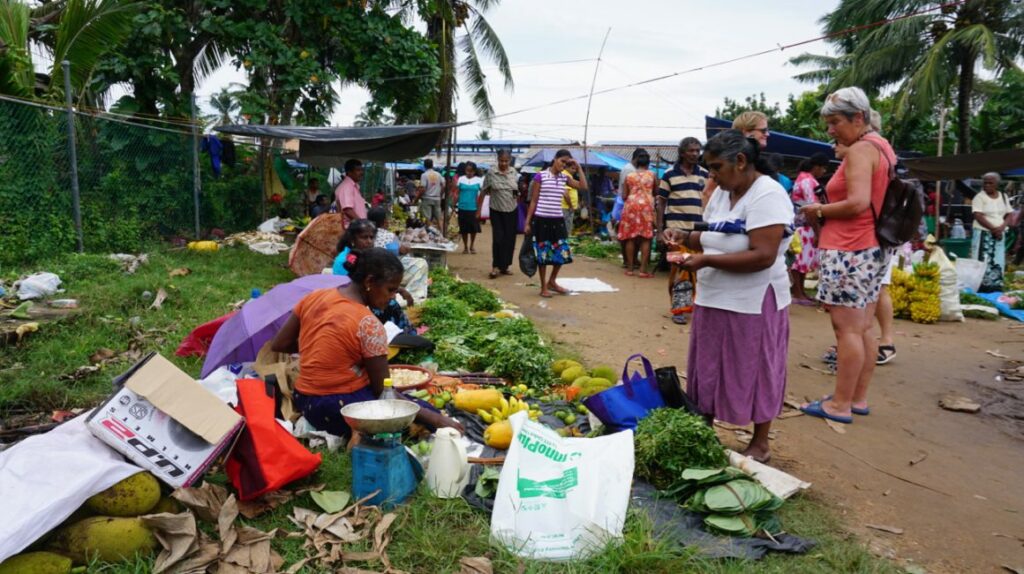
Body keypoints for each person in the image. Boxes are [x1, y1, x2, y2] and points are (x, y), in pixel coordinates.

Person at [664, 129, 793, 463]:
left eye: (717, 167)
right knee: (706, 365)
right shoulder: (723, 193)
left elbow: (763, 255)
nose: (712, 175)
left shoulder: (768, 194)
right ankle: (703, 429)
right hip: (714, 294)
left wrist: (705, 259)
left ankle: (760, 442)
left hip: (753, 299)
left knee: (755, 366)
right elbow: (715, 236)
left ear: (740, 161)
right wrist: (685, 237)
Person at [270, 248, 462, 437]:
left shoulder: (314, 298)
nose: (393, 296)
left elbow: (280, 344)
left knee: (415, 406)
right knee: (420, 412)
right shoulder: (368, 324)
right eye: (390, 289)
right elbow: (384, 392)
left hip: (305, 400)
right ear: (369, 282)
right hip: (339, 408)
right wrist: (437, 420)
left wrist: (319, 347)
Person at [798, 87, 898, 424]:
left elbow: (856, 203)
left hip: (849, 249)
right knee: (863, 328)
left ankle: (839, 405)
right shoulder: (882, 148)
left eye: (835, 122)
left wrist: (819, 210)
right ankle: (856, 398)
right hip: (870, 247)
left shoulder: (859, 151)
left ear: (858, 118)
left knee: (848, 332)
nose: (831, 130)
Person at [525, 149, 588, 298]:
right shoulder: (541, 176)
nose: (563, 165)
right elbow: (533, 201)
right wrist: (527, 222)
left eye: (566, 163)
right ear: (555, 159)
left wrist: (578, 168)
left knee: (561, 252)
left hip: (558, 220)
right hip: (541, 220)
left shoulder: (564, 178)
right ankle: (543, 287)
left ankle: (552, 281)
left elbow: (583, 186)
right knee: (543, 255)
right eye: (562, 161)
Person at [658, 137, 708, 324]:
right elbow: (661, 203)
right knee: (679, 271)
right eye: (691, 150)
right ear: (682, 152)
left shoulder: (704, 174)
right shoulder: (669, 174)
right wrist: (659, 230)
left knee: (698, 272)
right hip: (675, 234)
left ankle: (692, 305)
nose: (695, 154)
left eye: (697, 150)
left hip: (697, 233)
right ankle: (678, 309)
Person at [790, 153, 830, 304]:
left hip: (804, 224)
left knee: (803, 259)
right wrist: (818, 232)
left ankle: (801, 291)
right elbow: (811, 209)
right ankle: (798, 292)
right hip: (805, 225)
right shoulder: (808, 181)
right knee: (800, 259)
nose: (824, 172)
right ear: (816, 167)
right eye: (823, 168)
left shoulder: (804, 178)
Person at [367, 206, 429, 303]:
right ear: (385, 222)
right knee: (421, 263)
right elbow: (401, 250)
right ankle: (415, 295)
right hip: (387, 272)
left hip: (371, 271)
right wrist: (406, 248)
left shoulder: (364, 233)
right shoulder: (389, 236)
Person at [479, 149, 520, 279]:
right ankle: (495, 266)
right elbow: (484, 191)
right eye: (501, 160)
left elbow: (515, 190)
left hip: (511, 210)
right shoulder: (491, 173)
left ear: (510, 160)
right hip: (496, 209)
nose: (503, 163)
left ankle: (505, 266)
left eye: (506, 161)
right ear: (498, 160)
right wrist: (478, 210)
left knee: (509, 239)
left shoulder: (514, 172)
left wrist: (516, 196)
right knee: (498, 238)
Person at [618, 150, 657, 277]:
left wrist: (633, 198)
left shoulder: (629, 176)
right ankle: (643, 270)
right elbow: (656, 191)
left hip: (631, 206)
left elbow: (624, 195)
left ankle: (630, 269)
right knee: (646, 237)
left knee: (630, 236)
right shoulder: (652, 175)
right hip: (646, 206)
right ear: (648, 162)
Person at [971, 172, 1012, 292]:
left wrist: (1002, 227)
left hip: (999, 234)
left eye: (990, 183)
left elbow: (1009, 214)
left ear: (997, 184)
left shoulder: (1003, 196)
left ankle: (996, 286)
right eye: (985, 183)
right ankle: (982, 287)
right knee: (984, 260)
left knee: (998, 260)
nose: (987, 185)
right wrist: (994, 229)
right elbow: (978, 216)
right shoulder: (979, 197)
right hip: (984, 234)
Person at [455, 162, 483, 254]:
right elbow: (457, 193)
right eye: (467, 171)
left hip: (473, 208)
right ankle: (465, 247)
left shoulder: (479, 180)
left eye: (470, 171)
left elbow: (482, 195)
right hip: (462, 207)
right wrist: (454, 204)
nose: (468, 173)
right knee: (464, 229)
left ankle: (472, 245)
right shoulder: (461, 179)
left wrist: (479, 209)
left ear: (474, 171)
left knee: (473, 229)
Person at [334, 159, 367, 225]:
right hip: (352, 228)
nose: (361, 173)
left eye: (361, 170)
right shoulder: (346, 187)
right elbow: (348, 210)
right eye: (358, 170)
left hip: (356, 227)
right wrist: (363, 224)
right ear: (349, 172)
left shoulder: (353, 186)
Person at [416, 159, 445, 227]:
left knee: (427, 218)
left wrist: (416, 199)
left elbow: (422, 189)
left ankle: (429, 234)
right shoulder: (438, 174)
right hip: (437, 199)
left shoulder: (424, 175)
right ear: (432, 165)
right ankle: (441, 234)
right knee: (439, 218)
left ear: (424, 166)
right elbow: (444, 185)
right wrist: (440, 195)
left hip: (427, 199)